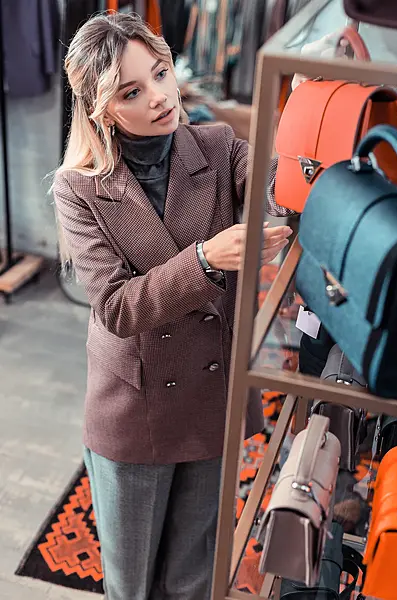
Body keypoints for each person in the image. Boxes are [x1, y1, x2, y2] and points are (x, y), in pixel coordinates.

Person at [53, 12, 292, 600]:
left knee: (193, 577)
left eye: (161, 73)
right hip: (135, 412)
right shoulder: (78, 188)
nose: (160, 98)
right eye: (132, 91)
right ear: (101, 109)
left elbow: (273, 180)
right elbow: (117, 306)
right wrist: (206, 260)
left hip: (211, 400)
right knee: (131, 583)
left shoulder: (216, 145)